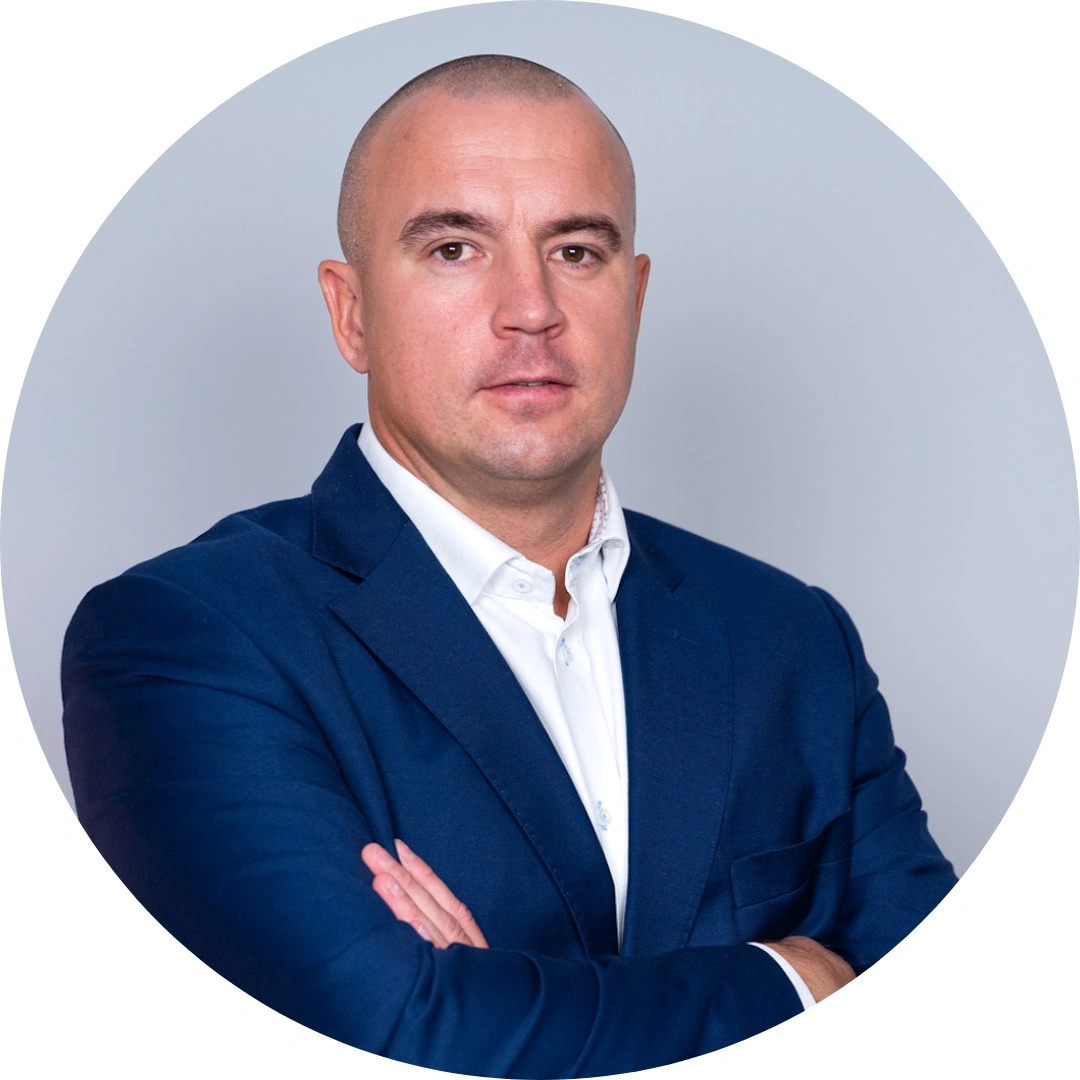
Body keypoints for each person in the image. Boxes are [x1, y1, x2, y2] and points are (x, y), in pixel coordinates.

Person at [62, 55, 956, 1077]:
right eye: (454, 248)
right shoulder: (185, 639)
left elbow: (947, 1021)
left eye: (576, 251)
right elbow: (393, 1037)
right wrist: (796, 980)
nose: (530, 308)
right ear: (352, 314)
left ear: (635, 296)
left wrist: (497, 1003)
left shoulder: (792, 638)